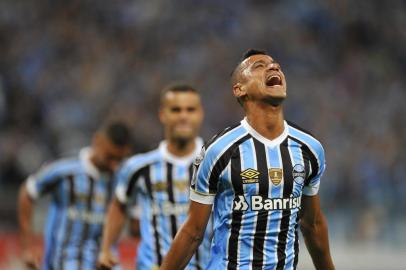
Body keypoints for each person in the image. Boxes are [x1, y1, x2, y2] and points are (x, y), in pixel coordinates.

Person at [161, 49, 335, 270]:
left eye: (275, 65)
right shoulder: (218, 151)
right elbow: (193, 232)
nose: (274, 67)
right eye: (259, 66)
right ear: (239, 89)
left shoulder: (309, 148)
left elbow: (313, 224)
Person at [98, 84, 211, 270]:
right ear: (162, 114)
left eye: (190, 110)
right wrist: (106, 248)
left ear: (200, 114)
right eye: (176, 110)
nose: (183, 116)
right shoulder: (139, 167)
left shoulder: (217, 162)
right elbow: (119, 205)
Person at [18, 121, 133, 270]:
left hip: (104, 262)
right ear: (97, 141)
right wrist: (28, 246)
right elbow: (27, 192)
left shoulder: (122, 176)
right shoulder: (65, 169)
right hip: (63, 261)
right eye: (110, 157)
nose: (114, 165)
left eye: (119, 159)